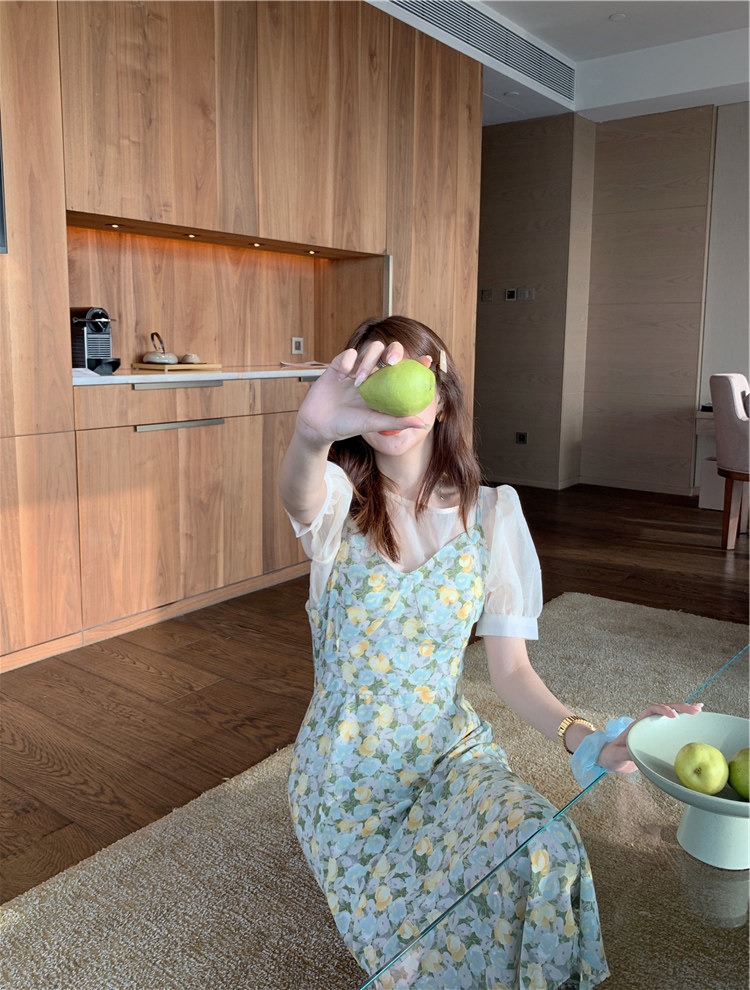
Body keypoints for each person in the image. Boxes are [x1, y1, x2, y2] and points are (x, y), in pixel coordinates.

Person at [278, 316, 701, 990]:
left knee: (542, 848)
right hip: (346, 774)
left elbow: (511, 671)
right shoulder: (336, 501)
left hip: (448, 753)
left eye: (404, 378)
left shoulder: (495, 513)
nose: (387, 401)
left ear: (441, 397)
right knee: (421, 943)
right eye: (369, 385)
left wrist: (592, 741)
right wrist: (310, 433)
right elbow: (299, 493)